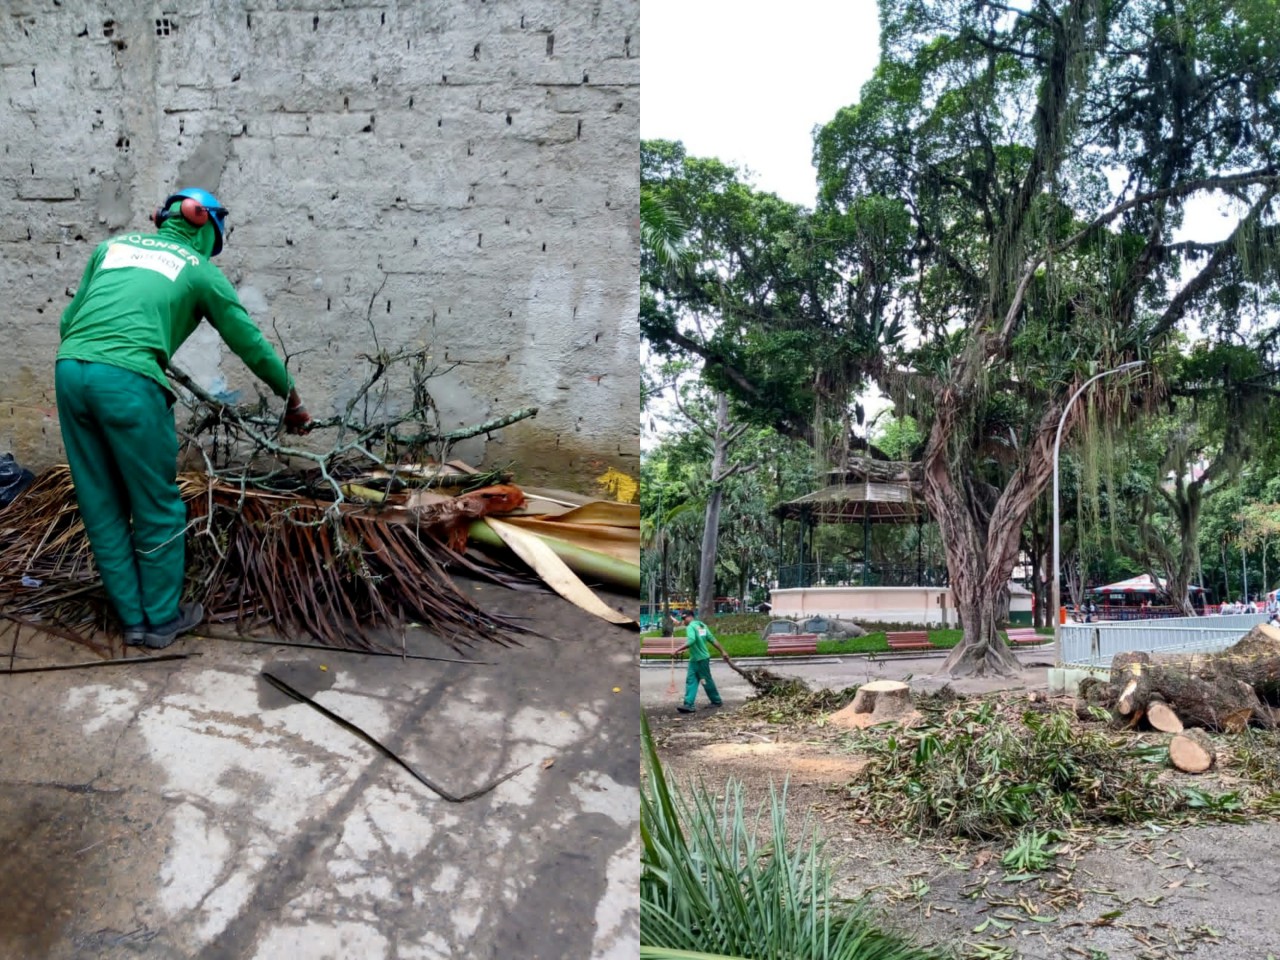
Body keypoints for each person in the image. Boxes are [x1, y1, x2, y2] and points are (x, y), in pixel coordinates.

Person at [57, 187, 314, 649]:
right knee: (155, 502)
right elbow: (249, 343)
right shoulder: (200, 271)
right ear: (202, 224)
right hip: (128, 385)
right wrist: (291, 399)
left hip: (70, 370)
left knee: (100, 502)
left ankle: (131, 618)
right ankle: (158, 620)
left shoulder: (109, 249)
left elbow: (69, 321)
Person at [674, 611, 727, 713]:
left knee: (706, 680)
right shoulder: (702, 626)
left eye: (684, 618)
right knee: (691, 680)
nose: (683, 621)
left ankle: (716, 700)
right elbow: (712, 639)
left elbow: (691, 640)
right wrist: (722, 651)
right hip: (696, 659)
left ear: (690, 617)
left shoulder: (690, 627)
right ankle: (688, 704)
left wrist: (677, 649)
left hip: (700, 659)